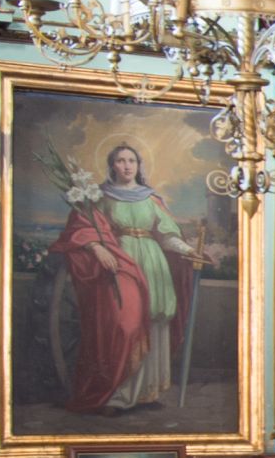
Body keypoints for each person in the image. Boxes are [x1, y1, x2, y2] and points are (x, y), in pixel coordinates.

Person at [50, 140, 195, 413]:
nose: (127, 166)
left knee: (154, 320)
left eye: (132, 161)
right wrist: (97, 247)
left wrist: (189, 250)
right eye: (121, 161)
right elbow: (85, 229)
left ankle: (146, 393)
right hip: (121, 262)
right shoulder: (100, 197)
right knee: (125, 323)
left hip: (153, 262)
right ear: (112, 166)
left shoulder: (151, 199)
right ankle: (117, 395)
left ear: (139, 166)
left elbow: (166, 235)